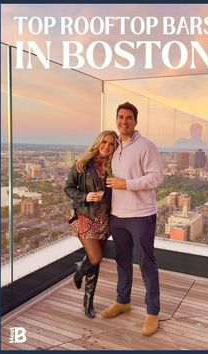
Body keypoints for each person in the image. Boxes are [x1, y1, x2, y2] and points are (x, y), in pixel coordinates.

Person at [101, 102, 164, 336]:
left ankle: (153, 311)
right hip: (118, 215)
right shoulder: (115, 146)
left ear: (135, 121)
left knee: (146, 262)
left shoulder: (147, 146)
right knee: (122, 259)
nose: (124, 121)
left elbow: (156, 177)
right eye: (120, 117)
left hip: (141, 215)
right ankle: (123, 300)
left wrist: (125, 184)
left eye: (129, 117)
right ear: (116, 119)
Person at [64, 130, 118, 318]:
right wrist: (85, 196)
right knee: (94, 258)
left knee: (95, 263)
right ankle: (79, 270)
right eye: (104, 142)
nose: (107, 146)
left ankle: (88, 301)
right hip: (85, 216)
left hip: (105, 219)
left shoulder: (115, 167)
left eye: (111, 144)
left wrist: (108, 194)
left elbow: (120, 191)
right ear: (98, 143)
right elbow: (68, 187)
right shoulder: (82, 164)